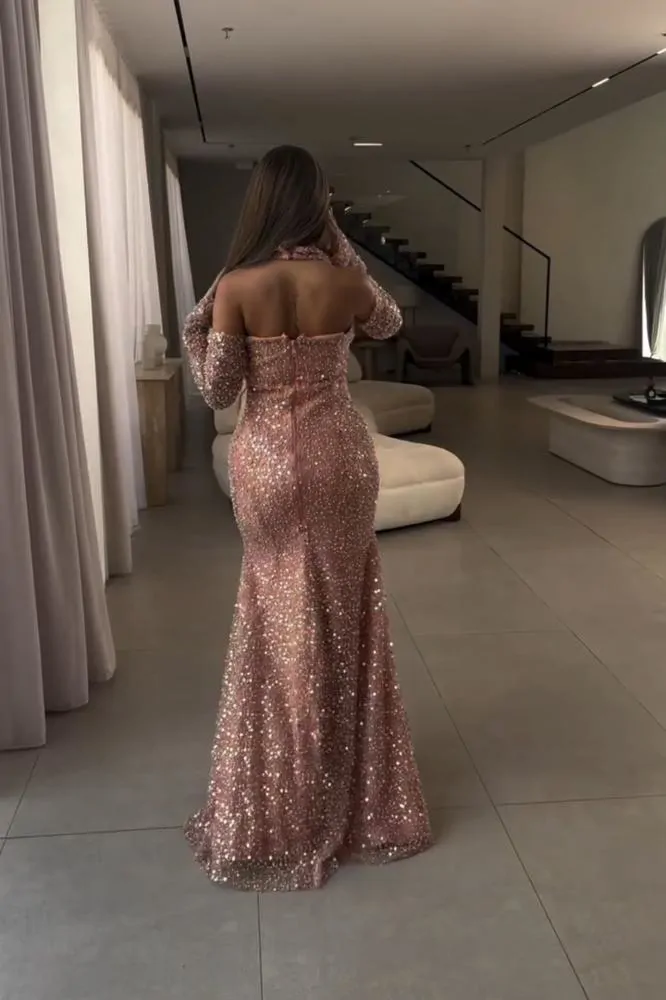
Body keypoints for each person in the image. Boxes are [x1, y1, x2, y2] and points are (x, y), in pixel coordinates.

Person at [182, 145, 431, 892]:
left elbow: (217, 390)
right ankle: (349, 794)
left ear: (260, 202)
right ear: (318, 204)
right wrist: (339, 244)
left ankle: (280, 800)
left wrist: (200, 326)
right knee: (345, 614)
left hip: (265, 462)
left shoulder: (237, 285)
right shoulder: (347, 282)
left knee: (274, 615)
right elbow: (388, 321)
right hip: (338, 457)